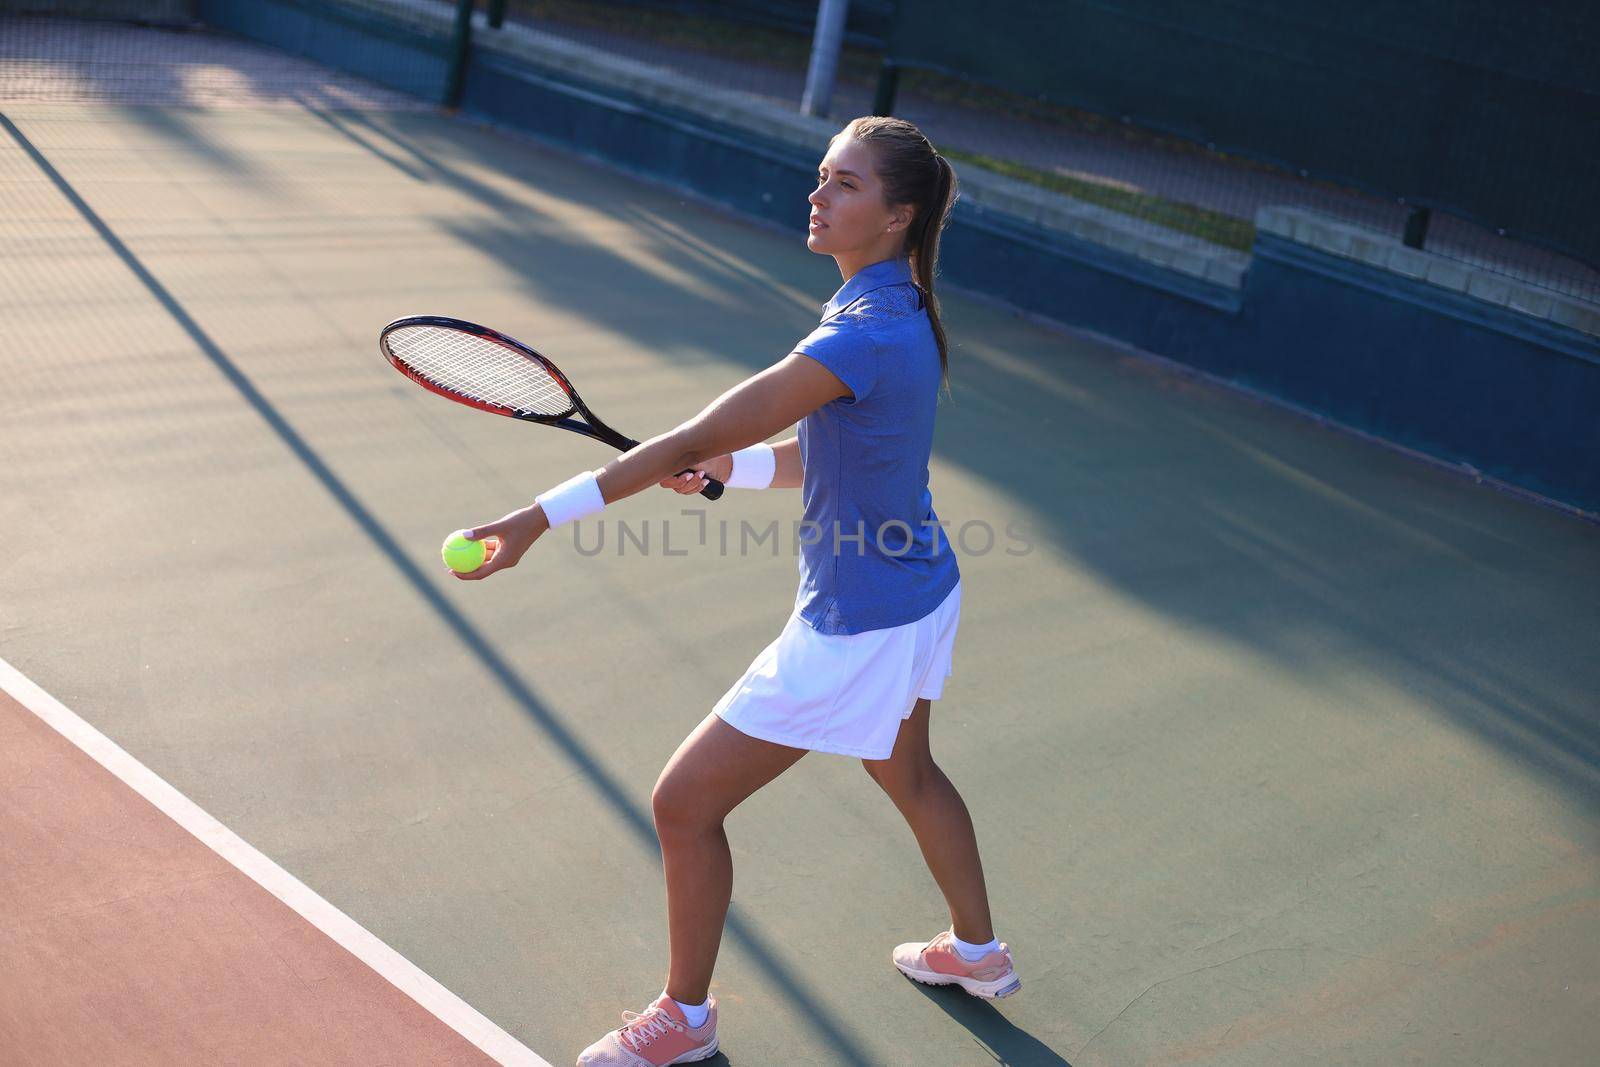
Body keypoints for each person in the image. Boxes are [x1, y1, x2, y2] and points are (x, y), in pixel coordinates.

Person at [452, 116, 1019, 1066]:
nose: (818, 195)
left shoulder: (862, 333)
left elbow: (675, 444)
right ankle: (976, 952)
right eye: (821, 177)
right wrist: (731, 474)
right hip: (922, 587)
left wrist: (531, 520)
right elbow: (839, 450)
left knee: (683, 805)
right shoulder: (902, 310)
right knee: (906, 768)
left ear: (897, 213)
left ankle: (685, 1021)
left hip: (857, 623)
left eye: (844, 184)